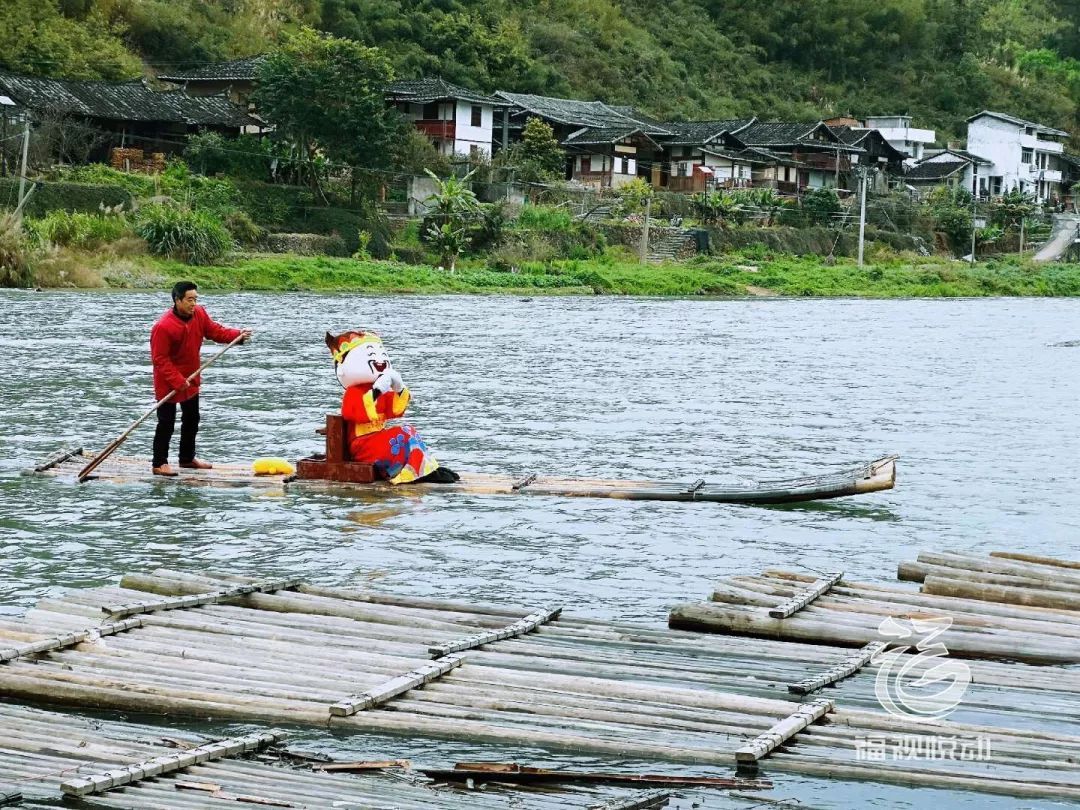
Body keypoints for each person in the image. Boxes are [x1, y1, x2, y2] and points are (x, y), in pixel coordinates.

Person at [149, 281, 252, 476]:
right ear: (177, 300)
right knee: (166, 423)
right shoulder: (163, 326)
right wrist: (177, 380)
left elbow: (214, 331)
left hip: (192, 377)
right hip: (168, 381)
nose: (193, 304)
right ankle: (159, 463)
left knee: (192, 418)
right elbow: (160, 360)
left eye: (195, 299)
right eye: (189, 300)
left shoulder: (200, 314)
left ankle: (187, 458)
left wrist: (236, 335)